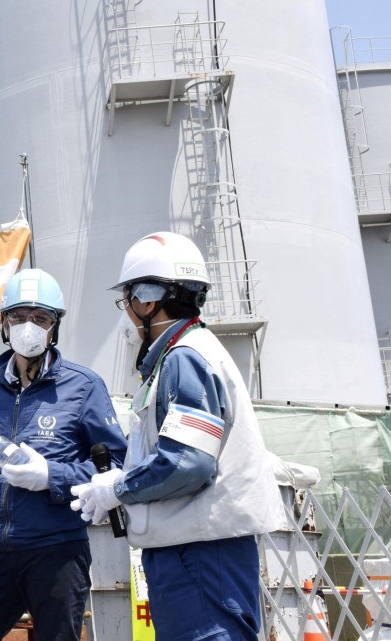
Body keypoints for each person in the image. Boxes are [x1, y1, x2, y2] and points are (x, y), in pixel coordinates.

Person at [71, 231, 283, 640]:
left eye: (128, 299)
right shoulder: (184, 354)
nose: (128, 313)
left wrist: (119, 486)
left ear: (148, 299)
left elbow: (188, 461)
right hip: (195, 550)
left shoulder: (184, 360)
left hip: (199, 554)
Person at [0, 268, 127, 641]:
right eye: (18, 317)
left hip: (57, 549)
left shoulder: (83, 386)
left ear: (54, 327)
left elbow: (117, 466)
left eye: (40, 318)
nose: (28, 326)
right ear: (4, 324)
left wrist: (52, 476)